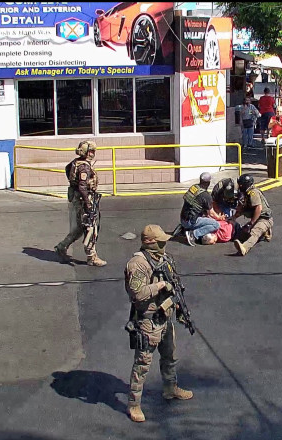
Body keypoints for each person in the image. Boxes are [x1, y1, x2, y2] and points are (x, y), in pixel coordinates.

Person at [124, 224, 193, 423]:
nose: (164, 243)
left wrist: (178, 307)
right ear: (150, 242)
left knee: (170, 355)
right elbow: (137, 294)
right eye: (160, 241)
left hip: (165, 317)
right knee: (143, 364)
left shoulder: (163, 259)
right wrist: (161, 285)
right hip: (148, 322)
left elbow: (175, 285)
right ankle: (134, 404)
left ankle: (170, 388)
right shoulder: (138, 264)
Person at [54, 140, 107, 266]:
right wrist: (88, 204)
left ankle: (62, 246)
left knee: (79, 228)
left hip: (78, 199)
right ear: (87, 152)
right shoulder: (84, 167)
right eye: (92, 151)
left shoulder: (75, 163)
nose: (93, 153)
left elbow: (67, 169)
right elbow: (83, 187)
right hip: (84, 200)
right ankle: (91, 257)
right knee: (91, 228)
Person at [232, 174, 273, 256]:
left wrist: (251, 223)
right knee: (242, 235)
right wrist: (232, 218)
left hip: (264, 218)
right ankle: (265, 232)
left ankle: (244, 248)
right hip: (257, 219)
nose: (239, 186)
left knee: (255, 233)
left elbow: (258, 208)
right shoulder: (245, 194)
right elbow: (242, 208)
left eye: (240, 184)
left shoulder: (253, 193)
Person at [179, 172, 219, 247]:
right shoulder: (206, 196)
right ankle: (193, 234)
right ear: (208, 183)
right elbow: (211, 213)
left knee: (201, 214)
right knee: (215, 224)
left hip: (183, 218)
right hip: (190, 221)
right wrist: (219, 218)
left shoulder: (193, 188)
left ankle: (183, 229)